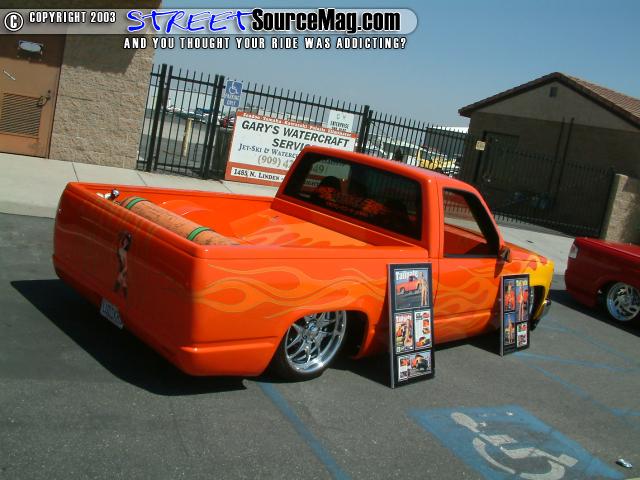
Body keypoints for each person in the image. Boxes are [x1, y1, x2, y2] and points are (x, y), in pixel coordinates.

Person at [114, 232, 132, 297]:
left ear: (128, 244)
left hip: (123, 269)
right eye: (125, 240)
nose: (126, 242)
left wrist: (122, 272)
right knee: (124, 283)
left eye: (127, 242)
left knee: (119, 281)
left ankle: (114, 294)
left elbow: (125, 264)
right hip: (121, 268)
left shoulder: (124, 252)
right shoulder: (120, 249)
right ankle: (124, 297)